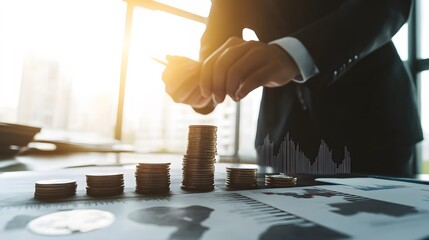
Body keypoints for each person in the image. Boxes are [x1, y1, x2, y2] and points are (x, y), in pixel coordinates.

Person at [162, 0, 423, 177]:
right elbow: (214, 53)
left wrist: (292, 54)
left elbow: (388, 5)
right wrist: (196, 83)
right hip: (283, 138)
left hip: (374, 126)